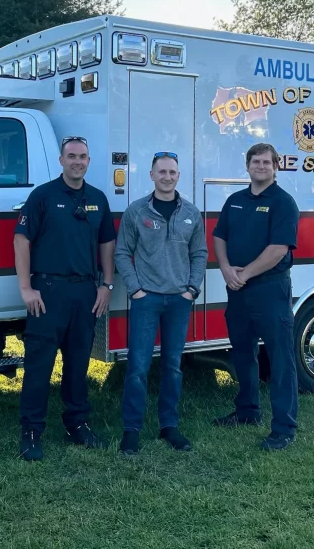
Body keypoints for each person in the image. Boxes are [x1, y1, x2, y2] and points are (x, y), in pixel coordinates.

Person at [14, 135, 116, 461]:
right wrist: (26, 289)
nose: (77, 161)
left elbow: (107, 246)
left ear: (89, 161)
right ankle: (31, 432)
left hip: (86, 292)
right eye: (71, 156)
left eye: (83, 156)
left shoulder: (98, 199)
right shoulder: (42, 196)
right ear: (61, 161)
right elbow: (21, 239)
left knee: (78, 364)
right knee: (38, 366)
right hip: (48, 292)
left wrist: (107, 285)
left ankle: (78, 425)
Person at [114, 152, 208, 455]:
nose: (167, 177)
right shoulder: (137, 211)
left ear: (178, 176)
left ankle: (169, 426)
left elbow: (200, 254)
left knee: (172, 366)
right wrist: (136, 290)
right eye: (162, 172)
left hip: (179, 301)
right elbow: (121, 252)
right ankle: (132, 430)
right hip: (147, 300)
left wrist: (191, 289)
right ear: (152, 175)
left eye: (172, 172)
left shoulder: (191, 213)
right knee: (138, 367)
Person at [211, 142, 300, 451]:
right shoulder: (235, 201)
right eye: (256, 162)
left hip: (269, 290)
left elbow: (278, 250)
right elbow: (219, 236)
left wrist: (243, 274)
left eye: (266, 162)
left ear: (276, 167)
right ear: (247, 166)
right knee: (242, 353)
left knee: (279, 357)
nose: (261, 167)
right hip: (237, 291)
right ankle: (247, 411)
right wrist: (225, 268)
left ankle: (284, 427)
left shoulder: (283, 203)